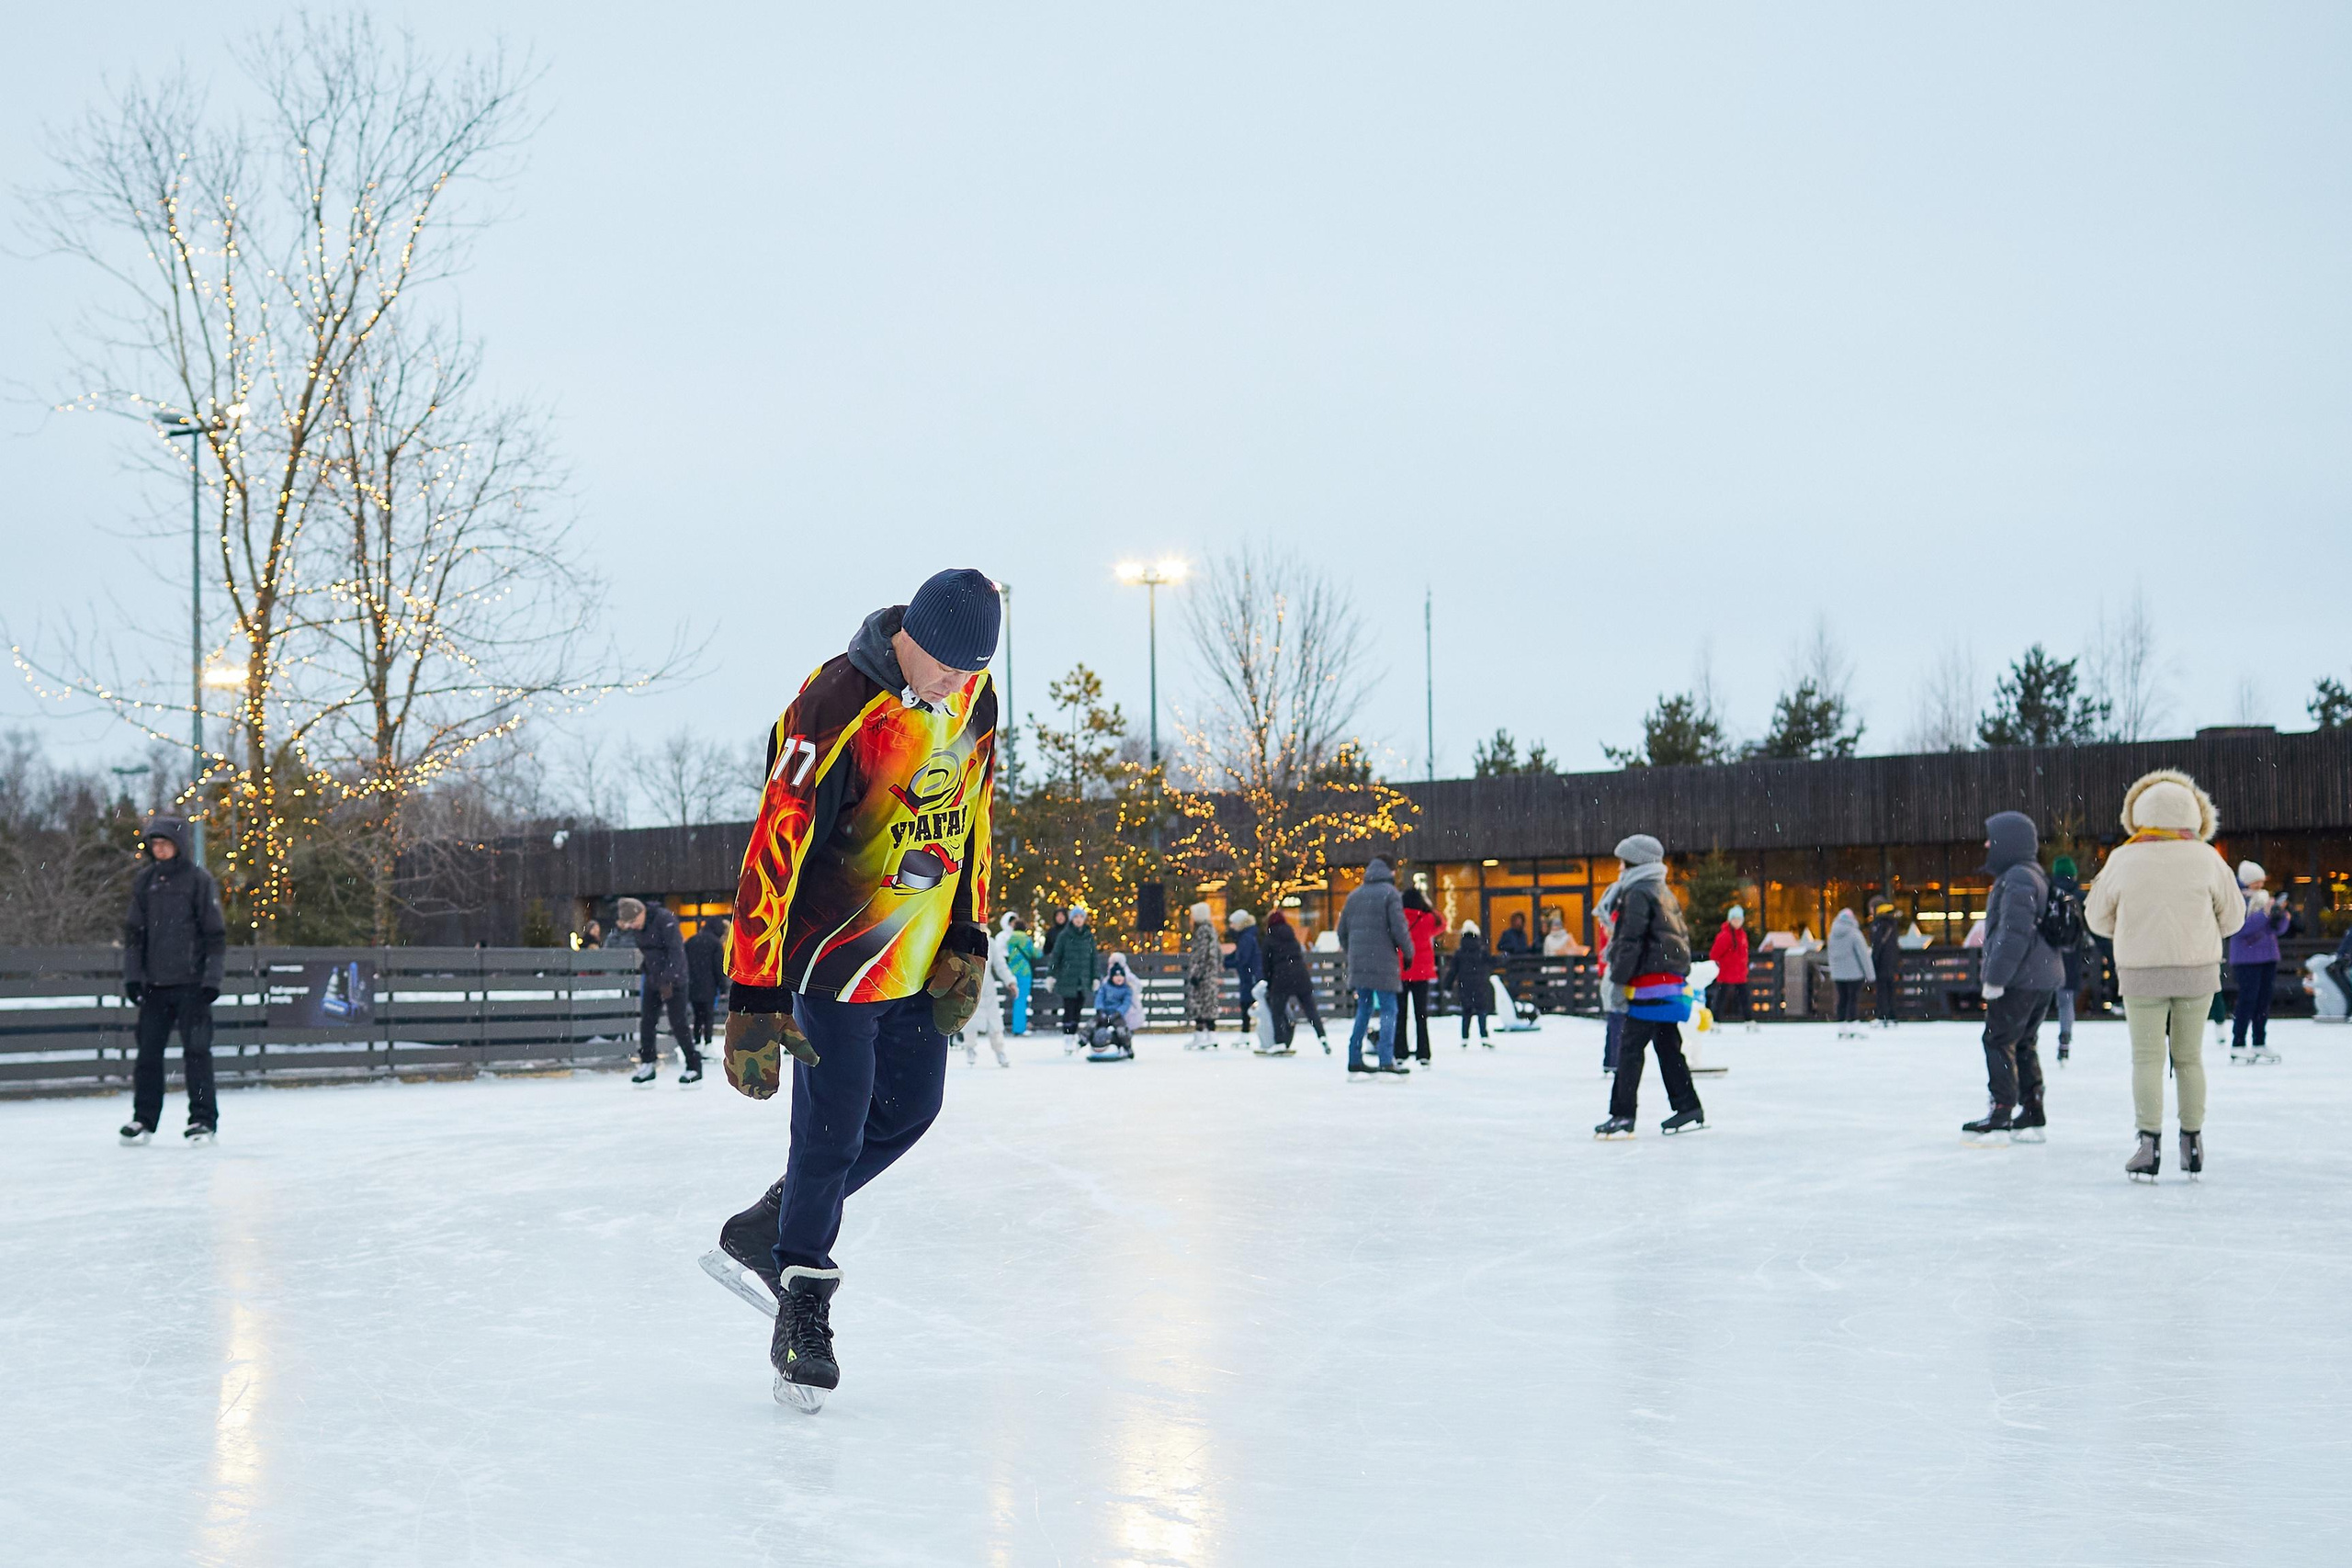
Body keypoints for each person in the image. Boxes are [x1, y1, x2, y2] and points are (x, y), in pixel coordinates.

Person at [707, 568, 1000, 1412]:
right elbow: (774, 842)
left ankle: (771, 1224)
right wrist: (754, 989)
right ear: (911, 634)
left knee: (910, 1111)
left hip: (918, 955)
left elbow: (977, 818)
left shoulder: (975, 702)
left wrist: (969, 934)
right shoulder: (833, 703)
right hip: (832, 957)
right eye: (944, 663)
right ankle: (802, 1302)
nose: (953, 681)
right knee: (831, 1131)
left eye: (971, 668)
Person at [2085, 770, 2245, 1180]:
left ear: (2138, 813)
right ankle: (2192, 1142)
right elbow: (2234, 918)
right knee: (2189, 1058)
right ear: (2195, 812)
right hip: (2197, 971)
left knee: (2147, 1059)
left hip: (2141, 973)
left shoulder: (2122, 858)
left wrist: (2131, 927)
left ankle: (2148, 1144)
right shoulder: (2208, 858)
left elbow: (2096, 918)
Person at [118, 814, 227, 1145]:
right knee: (148, 1056)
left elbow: (214, 935)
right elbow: (134, 935)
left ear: (179, 845)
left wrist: (211, 980)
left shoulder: (198, 880)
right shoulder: (145, 882)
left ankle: (203, 1120)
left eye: (165, 843)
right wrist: (133, 978)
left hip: (192, 986)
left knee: (197, 1054)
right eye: (155, 844)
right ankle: (143, 1119)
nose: (160, 849)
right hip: (155, 987)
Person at [1958, 813, 2064, 1141]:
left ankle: (2002, 1110)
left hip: (2021, 978)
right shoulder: (2032, 874)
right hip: (2039, 977)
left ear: (2009, 843)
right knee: (2023, 1043)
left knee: (1998, 1040)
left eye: (1992, 839)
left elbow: (2014, 933)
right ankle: (2032, 1110)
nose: (1986, 845)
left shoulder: (2017, 877)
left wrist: (1995, 979)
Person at [1593, 834, 1705, 1136]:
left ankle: (1622, 1114)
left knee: (1630, 1048)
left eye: (1622, 862)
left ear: (1635, 863)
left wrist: (1618, 980)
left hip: (1649, 985)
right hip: (1667, 982)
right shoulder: (1661, 890)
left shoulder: (1638, 892)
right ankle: (1688, 1106)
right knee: (1668, 1046)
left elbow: (1630, 942)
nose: (1619, 868)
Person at [1337, 858, 1413, 1076]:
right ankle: (1386, 1059)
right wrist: (1408, 952)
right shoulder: (1390, 894)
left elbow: (1341, 931)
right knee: (1389, 1009)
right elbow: (1399, 928)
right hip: (1384, 963)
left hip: (1359, 963)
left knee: (1364, 1009)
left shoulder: (1354, 896)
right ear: (1390, 870)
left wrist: (1353, 952)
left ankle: (1354, 1056)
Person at [616, 897, 700, 1086]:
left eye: (634, 921)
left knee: (678, 1023)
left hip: (675, 979)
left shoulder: (665, 919)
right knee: (647, 1021)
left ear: (642, 912)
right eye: (629, 924)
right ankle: (648, 1064)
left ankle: (694, 1066)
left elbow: (676, 951)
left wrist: (668, 979)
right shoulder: (639, 927)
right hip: (653, 978)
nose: (633, 926)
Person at [2228, 861, 2290, 1063]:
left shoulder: (2264, 899)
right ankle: (2238, 1043)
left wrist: (2281, 917)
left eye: (2262, 881)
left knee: (2263, 1001)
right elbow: (2240, 929)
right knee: (2247, 1000)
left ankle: (2259, 1041)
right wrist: (2264, 914)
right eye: (2256, 881)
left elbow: (2275, 930)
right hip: (2246, 959)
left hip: (2267, 956)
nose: (2260, 885)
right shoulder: (2236, 900)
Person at [1261, 909, 1329, 1054]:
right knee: (1310, 1010)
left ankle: (1280, 1041)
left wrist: (1269, 982)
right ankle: (1322, 1036)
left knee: (1277, 1011)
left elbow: (1266, 965)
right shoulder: (1292, 937)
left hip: (1281, 978)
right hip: (1300, 975)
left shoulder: (1269, 939)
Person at [2047, 859, 2086, 1061]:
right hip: (2071, 955)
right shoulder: (2080, 897)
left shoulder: (2048, 895)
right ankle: (2065, 1037)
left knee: (2041, 1000)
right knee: (2066, 1000)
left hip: (2048, 956)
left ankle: (2029, 1040)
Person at [1397, 887, 1442, 1065]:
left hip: (1402, 971)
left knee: (1400, 1014)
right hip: (1422, 973)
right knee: (1421, 1014)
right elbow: (1442, 923)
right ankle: (1423, 1053)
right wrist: (1428, 906)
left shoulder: (1398, 918)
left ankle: (1400, 1052)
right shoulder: (1427, 919)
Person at [1048, 905, 1097, 1046]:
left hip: (1083, 979)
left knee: (1078, 1009)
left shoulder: (1089, 936)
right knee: (1069, 1009)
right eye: (1076, 917)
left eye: (1081, 917)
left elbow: (1094, 958)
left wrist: (1095, 977)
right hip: (1067, 978)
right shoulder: (1064, 935)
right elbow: (1056, 956)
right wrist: (1051, 975)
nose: (1078, 919)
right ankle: (1068, 1036)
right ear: (1071, 919)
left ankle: (1074, 1033)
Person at [1448, 919, 1496, 1046]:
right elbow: (1492, 962)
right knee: (1482, 1010)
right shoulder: (1481, 951)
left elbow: (1453, 970)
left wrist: (1447, 985)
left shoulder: (1459, 952)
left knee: (1466, 1011)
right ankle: (1484, 1036)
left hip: (1465, 984)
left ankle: (1464, 1038)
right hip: (1480, 983)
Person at [1827, 907, 1874, 1037]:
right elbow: (1863, 955)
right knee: (1853, 999)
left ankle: (1842, 1027)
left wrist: (1833, 971)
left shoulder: (1832, 935)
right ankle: (1853, 1025)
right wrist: (1870, 975)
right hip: (1854, 973)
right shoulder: (1855, 934)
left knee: (1842, 999)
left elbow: (1830, 955)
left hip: (1838, 974)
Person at [684, 915, 729, 1052]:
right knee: (708, 1015)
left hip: (692, 985)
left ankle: (697, 1042)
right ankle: (708, 1044)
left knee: (697, 1016)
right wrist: (723, 987)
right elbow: (718, 967)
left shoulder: (691, 940)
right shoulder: (715, 943)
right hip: (709, 985)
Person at [1184, 901, 1224, 1050]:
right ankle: (1208, 1035)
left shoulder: (1202, 931)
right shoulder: (1211, 930)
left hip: (1203, 975)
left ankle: (1202, 1036)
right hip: (1209, 974)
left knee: (1201, 1005)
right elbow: (1217, 952)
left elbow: (1201, 955)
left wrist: (1196, 973)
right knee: (1208, 1005)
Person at [1708, 905, 1752, 1032]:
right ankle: (1715, 1021)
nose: (1737, 922)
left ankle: (1749, 1020)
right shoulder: (1725, 936)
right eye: (1734, 919)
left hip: (1740, 973)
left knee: (1744, 998)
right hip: (1726, 973)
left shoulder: (1742, 935)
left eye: (1739, 919)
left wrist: (1743, 967)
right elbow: (1714, 954)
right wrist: (1722, 965)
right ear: (1730, 920)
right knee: (1720, 998)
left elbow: (1743, 954)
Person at [1087, 953, 1138, 1058]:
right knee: (1092, 1024)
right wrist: (1100, 1010)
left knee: (1121, 1030)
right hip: (1104, 1013)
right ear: (1112, 977)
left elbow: (1126, 1003)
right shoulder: (1105, 987)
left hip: (1116, 1015)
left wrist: (1118, 1013)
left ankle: (1127, 1047)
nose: (1119, 978)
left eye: (1121, 976)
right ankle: (1083, 1040)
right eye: (1116, 976)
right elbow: (1099, 998)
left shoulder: (1126, 990)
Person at [1223, 908, 1262, 1035]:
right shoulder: (1246, 936)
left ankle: (1246, 1033)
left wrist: (1226, 964)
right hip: (1249, 975)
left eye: (1233, 923)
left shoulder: (1246, 938)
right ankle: (1246, 1032)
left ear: (1239, 923)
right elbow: (1237, 954)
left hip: (1249, 976)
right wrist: (1225, 961)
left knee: (1247, 1003)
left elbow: (1242, 959)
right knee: (1248, 1002)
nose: (1231, 926)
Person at [1001, 912, 1036, 1034]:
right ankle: (1019, 1028)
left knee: (1016, 999)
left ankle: (1016, 1026)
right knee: (1021, 999)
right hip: (1024, 972)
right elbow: (1034, 953)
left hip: (1012, 970)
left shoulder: (1010, 938)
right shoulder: (1026, 939)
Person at [1867, 900, 1902, 1028]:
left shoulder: (1879, 923)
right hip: (1891, 962)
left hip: (1882, 962)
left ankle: (1883, 1015)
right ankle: (1892, 1015)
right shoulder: (1892, 922)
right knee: (1890, 990)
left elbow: (1877, 945)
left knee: (1881, 990)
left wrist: (1873, 960)